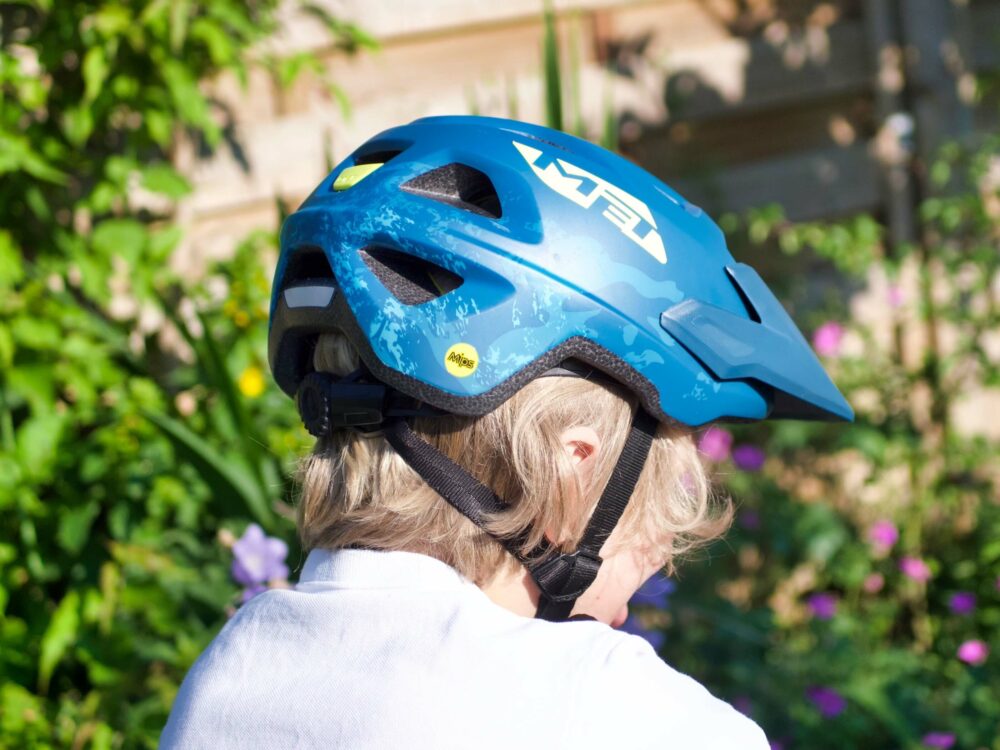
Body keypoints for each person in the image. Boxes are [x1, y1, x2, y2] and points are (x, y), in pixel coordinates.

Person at [160, 115, 852, 749]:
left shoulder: (232, 672)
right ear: (571, 467)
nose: (662, 556)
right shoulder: (616, 713)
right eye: (661, 500)